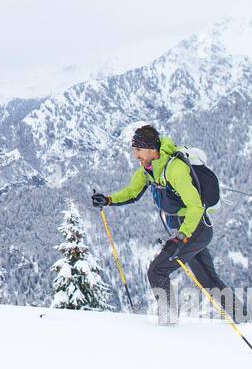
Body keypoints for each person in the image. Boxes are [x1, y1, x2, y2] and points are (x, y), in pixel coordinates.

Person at [91, 124, 236, 325]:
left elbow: (195, 206)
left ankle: (168, 323)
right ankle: (244, 318)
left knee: (157, 271)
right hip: (188, 230)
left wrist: (180, 237)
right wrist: (107, 200)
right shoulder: (149, 171)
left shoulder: (175, 169)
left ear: (151, 149)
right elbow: (132, 192)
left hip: (195, 228)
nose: (136, 156)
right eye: (135, 150)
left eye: (138, 150)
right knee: (208, 280)